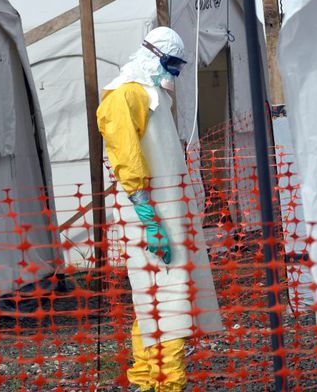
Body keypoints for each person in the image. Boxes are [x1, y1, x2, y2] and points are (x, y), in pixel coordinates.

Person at [97, 27, 223, 392]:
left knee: (155, 302)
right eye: (171, 63)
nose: (174, 72)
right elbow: (126, 158)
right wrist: (149, 219)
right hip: (151, 218)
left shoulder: (155, 98)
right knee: (168, 306)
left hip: (168, 216)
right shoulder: (124, 97)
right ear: (152, 56)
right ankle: (168, 385)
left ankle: (146, 380)